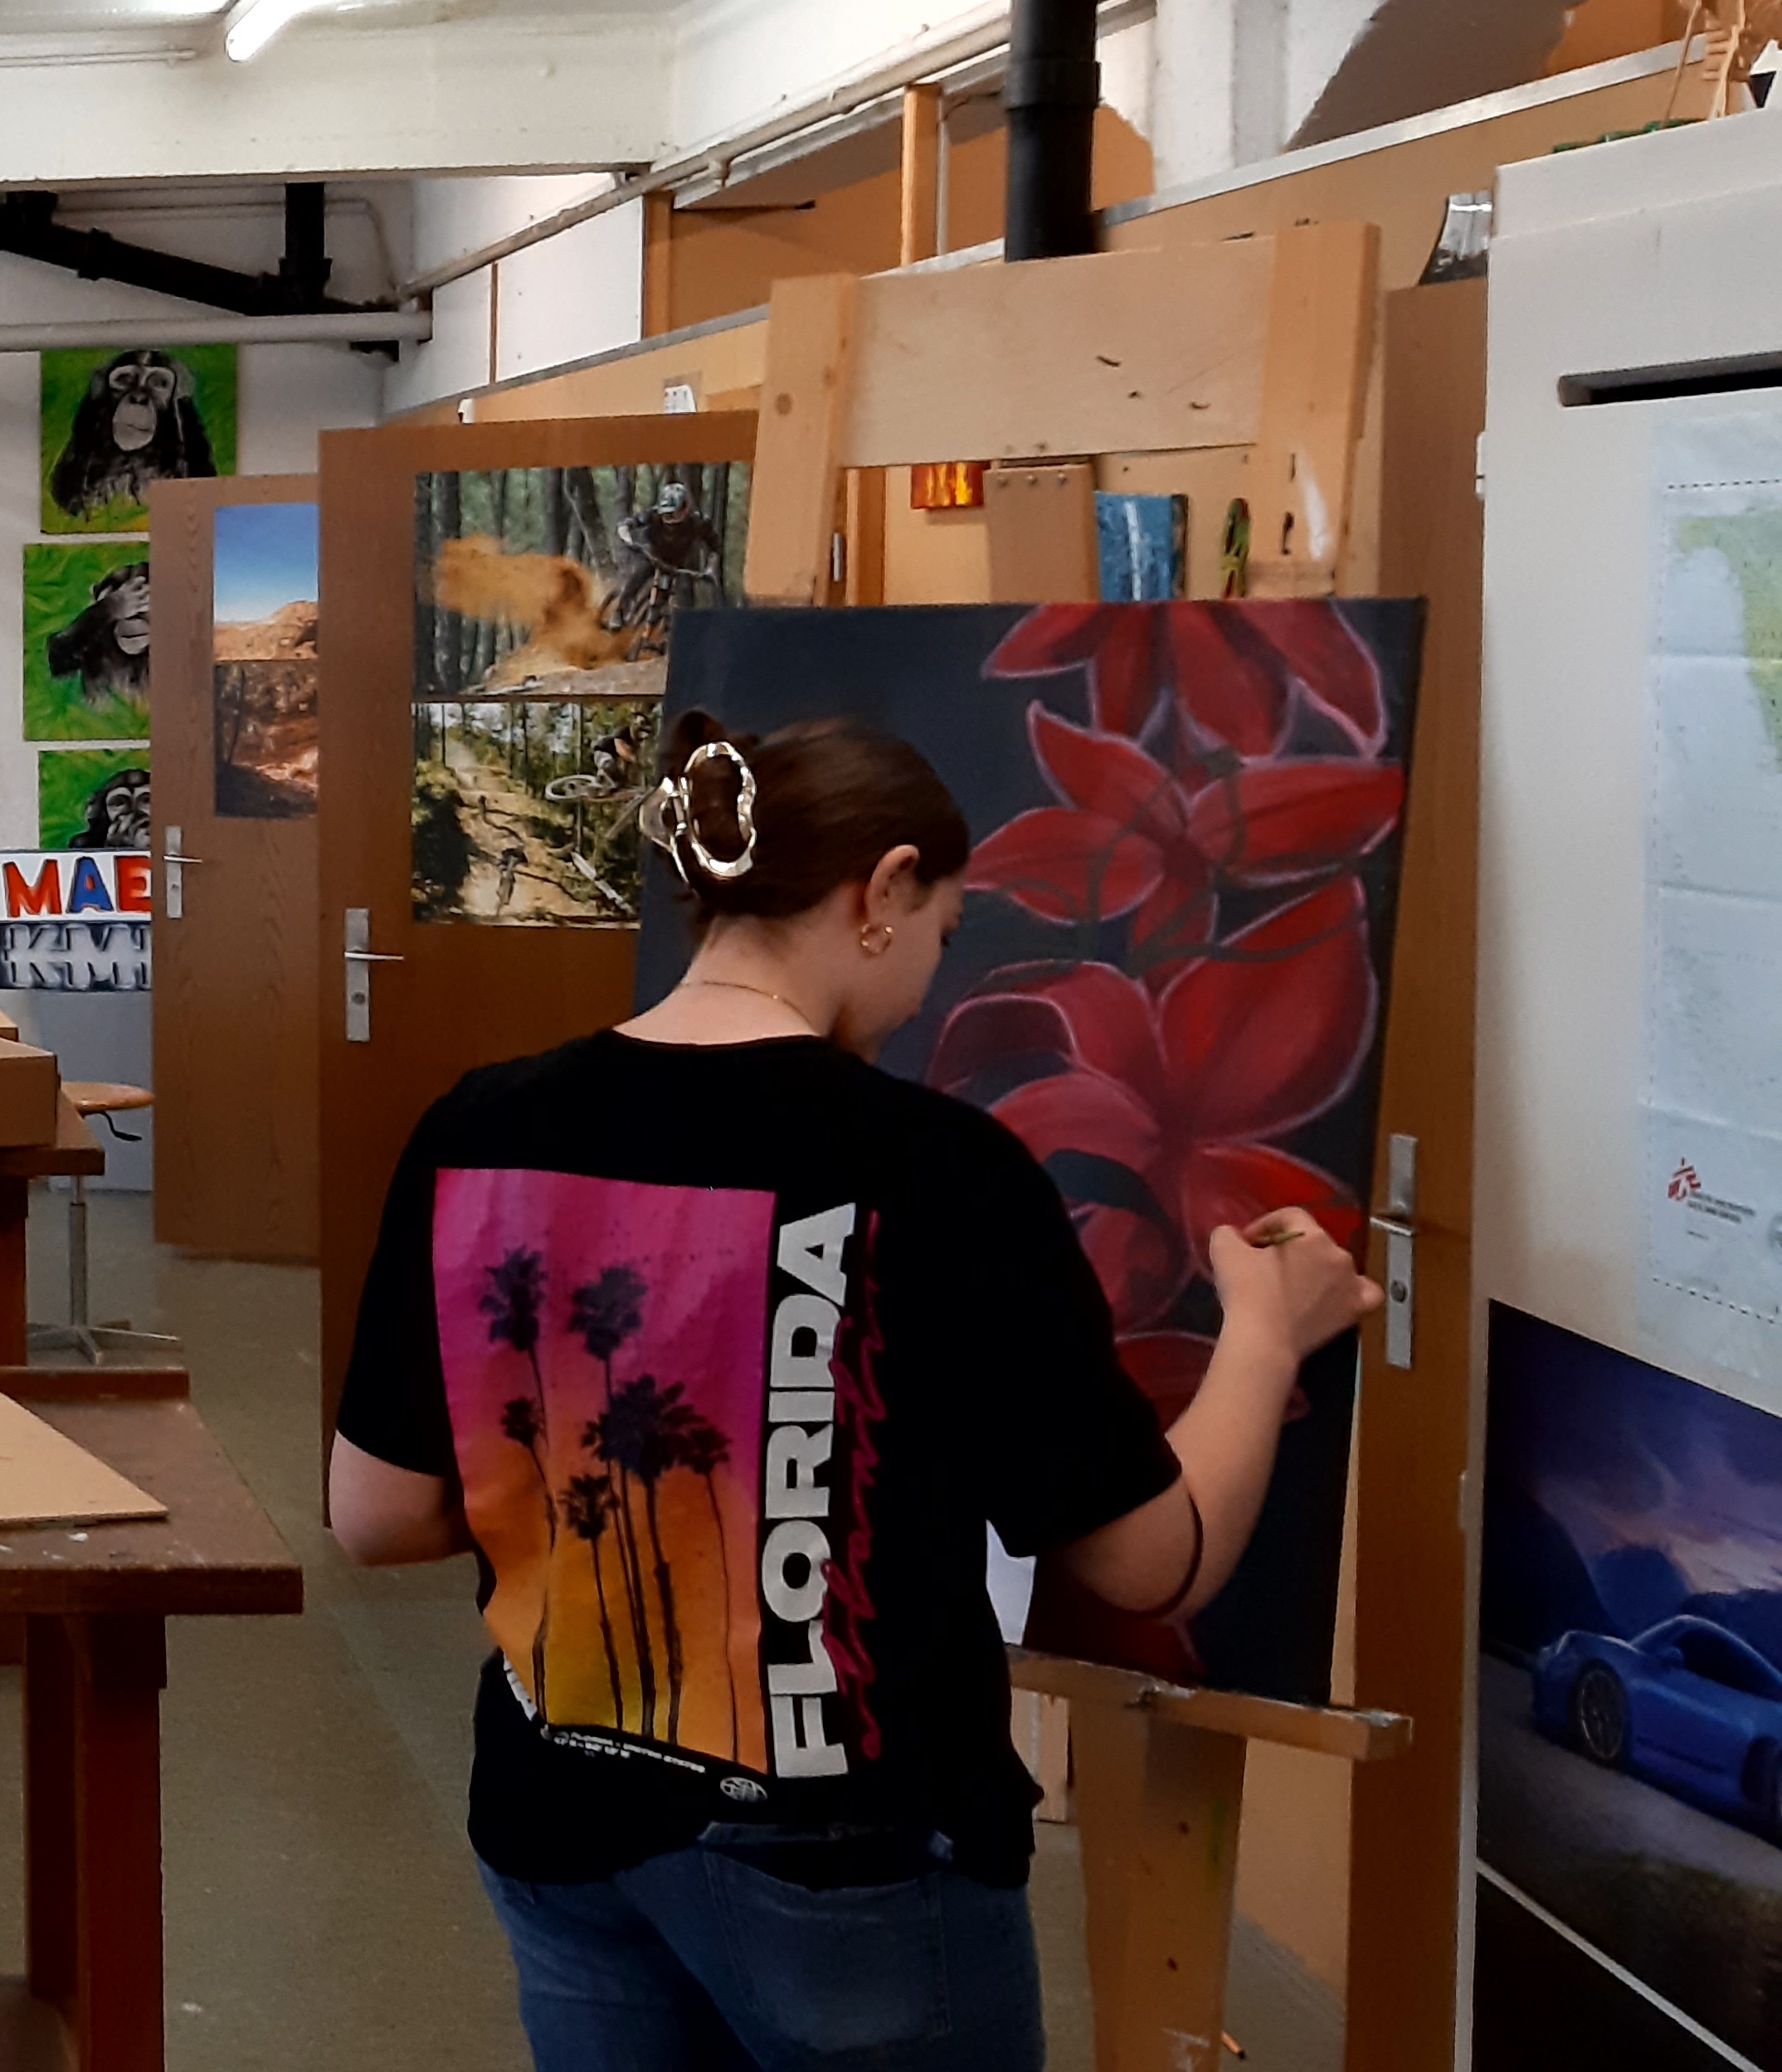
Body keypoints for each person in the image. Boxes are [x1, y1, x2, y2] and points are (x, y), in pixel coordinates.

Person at [327, 711, 1379, 2072]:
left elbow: (377, 1513)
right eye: (941, 929)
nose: (930, 978)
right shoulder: (937, 1167)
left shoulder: (478, 1125)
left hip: (556, 1816)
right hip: (839, 1856)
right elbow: (1148, 1562)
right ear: (881, 889)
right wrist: (1264, 1334)